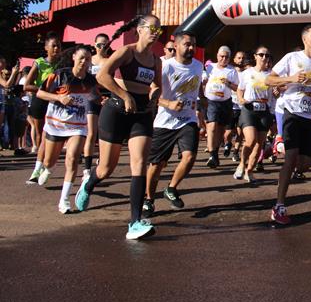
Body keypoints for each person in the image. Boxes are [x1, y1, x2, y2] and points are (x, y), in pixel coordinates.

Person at [74, 14, 163, 240]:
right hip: (115, 110)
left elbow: (157, 86)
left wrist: (154, 95)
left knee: (140, 164)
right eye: (151, 28)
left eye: (159, 30)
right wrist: (124, 95)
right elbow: (103, 76)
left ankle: (134, 222)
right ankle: (89, 184)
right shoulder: (127, 52)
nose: (155, 32)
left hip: (141, 114)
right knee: (106, 168)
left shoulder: (156, 61)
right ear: (139, 30)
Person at [266, 25, 311, 225]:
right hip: (291, 112)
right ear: (305, 39)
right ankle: (279, 205)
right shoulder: (292, 58)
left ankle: (273, 149)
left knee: (305, 164)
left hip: (310, 116)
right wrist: (291, 78)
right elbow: (269, 79)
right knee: (291, 158)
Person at [143, 31, 204, 217]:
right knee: (157, 165)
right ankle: (148, 200)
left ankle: (171, 188)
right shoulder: (165, 66)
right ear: (176, 46)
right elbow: (151, 92)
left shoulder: (199, 66)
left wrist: (201, 110)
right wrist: (168, 103)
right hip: (165, 122)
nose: (191, 48)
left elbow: (198, 90)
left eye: (193, 44)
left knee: (190, 156)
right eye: (187, 44)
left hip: (188, 119)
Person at [34, 45, 98, 214]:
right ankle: (47, 168)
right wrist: (59, 98)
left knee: (72, 158)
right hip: (56, 125)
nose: (84, 62)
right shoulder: (60, 74)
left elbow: (95, 97)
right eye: (82, 58)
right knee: (50, 161)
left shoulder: (91, 80)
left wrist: (102, 101)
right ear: (74, 58)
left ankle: (64, 199)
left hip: (77, 126)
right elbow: (40, 94)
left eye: (88, 59)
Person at [24, 32, 61, 184]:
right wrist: (43, 89)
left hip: (56, 103)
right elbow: (27, 85)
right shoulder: (39, 62)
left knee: (51, 135)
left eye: (59, 45)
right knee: (41, 135)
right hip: (40, 100)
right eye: (53, 46)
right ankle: (39, 167)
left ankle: (44, 166)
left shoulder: (63, 63)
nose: (57, 48)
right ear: (46, 48)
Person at [236, 46, 273, 183]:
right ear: (255, 56)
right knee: (250, 140)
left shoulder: (271, 75)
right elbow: (240, 89)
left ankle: (249, 171)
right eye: (261, 55)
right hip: (249, 109)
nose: (264, 58)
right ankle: (241, 164)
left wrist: (277, 92)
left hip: (264, 111)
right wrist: (240, 99)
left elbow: (277, 92)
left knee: (259, 144)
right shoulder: (247, 72)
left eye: (267, 55)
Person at [203, 46, 239, 168]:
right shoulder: (210, 67)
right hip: (212, 101)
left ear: (229, 58)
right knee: (212, 126)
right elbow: (204, 81)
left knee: (220, 130)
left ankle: (215, 153)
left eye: (226, 57)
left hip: (226, 102)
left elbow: (237, 88)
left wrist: (228, 83)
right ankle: (212, 155)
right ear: (217, 56)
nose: (223, 59)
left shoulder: (232, 70)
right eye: (221, 56)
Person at [83, 33, 111, 180]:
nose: (102, 47)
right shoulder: (89, 61)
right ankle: (87, 169)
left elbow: (111, 81)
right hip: (91, 97)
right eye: (99, 44)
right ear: (94, 45)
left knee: (104, 133)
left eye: (105, 44)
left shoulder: (110, 61)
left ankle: (101, 160)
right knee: (91, 133)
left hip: (106, 98)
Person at [223, 50, 247, 163]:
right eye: (238, 58)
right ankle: (228, 143)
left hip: (242, 107)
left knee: (240, 132)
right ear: (234, 59)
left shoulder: (248, 73)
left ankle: (236, 152)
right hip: (231, 105)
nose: (241, 60)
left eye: (242, 58)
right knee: (228, 132)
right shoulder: (230, 71)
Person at [0, 57, 20, 151]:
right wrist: (14, 73)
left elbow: (9, 85)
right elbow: (6, 85)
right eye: (2, 62)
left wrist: (15, 75)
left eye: (4, 62)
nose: (4, 64)